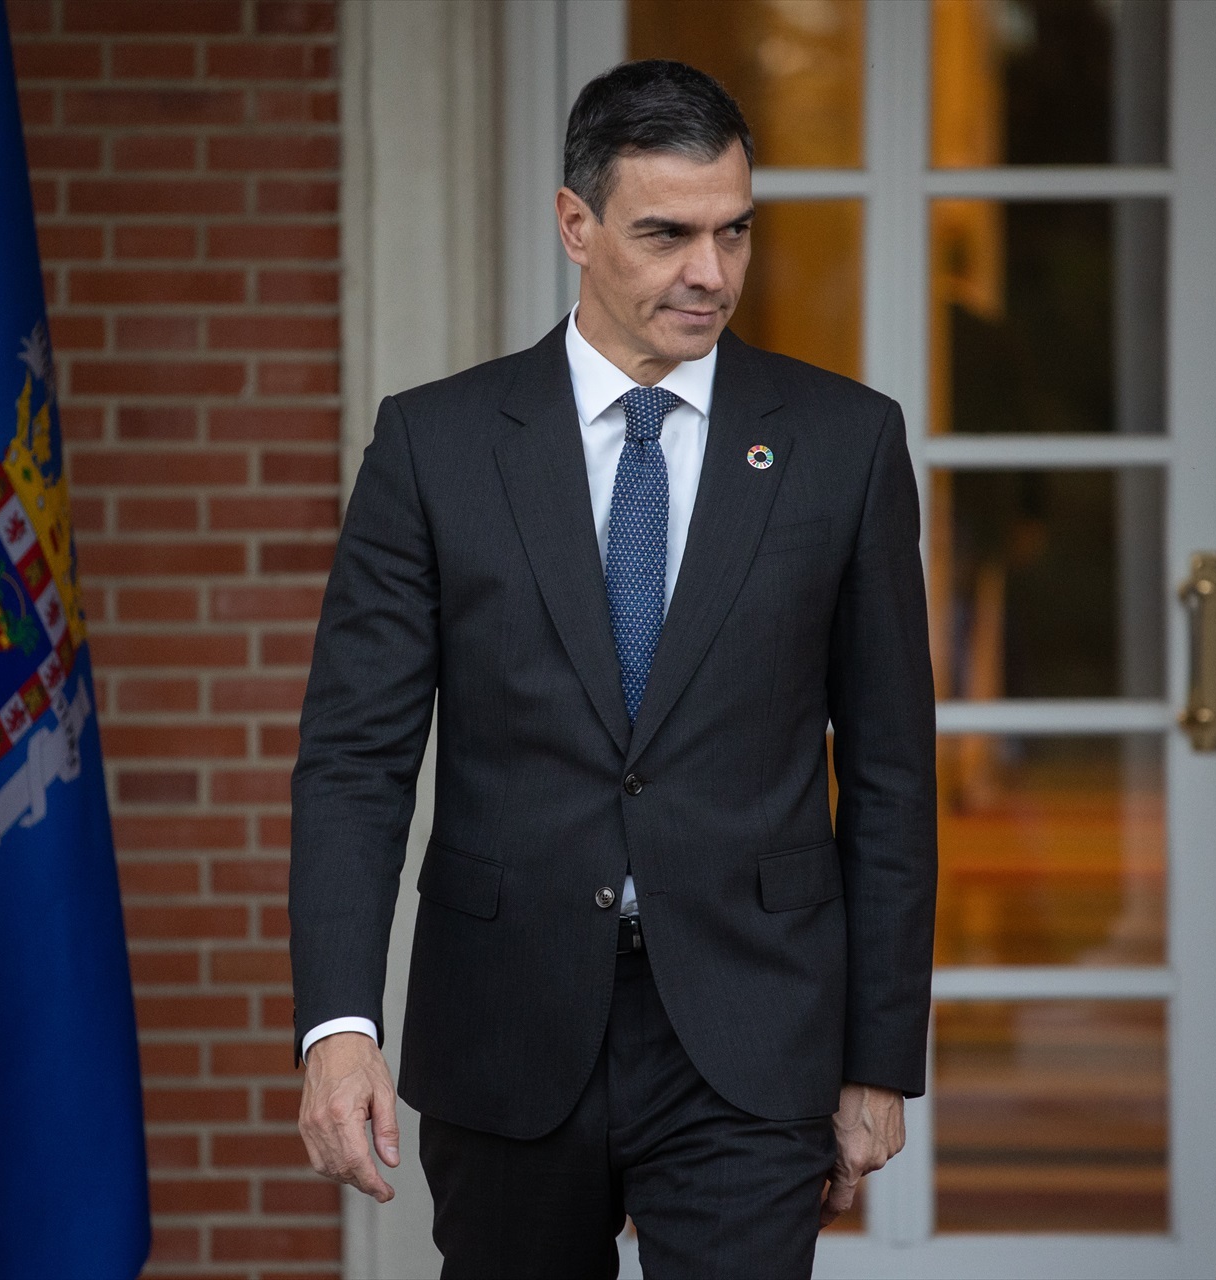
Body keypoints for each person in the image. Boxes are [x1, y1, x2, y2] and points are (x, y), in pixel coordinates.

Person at [288, 59, 937, 1278]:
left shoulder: (844, 444)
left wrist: (878, 1057)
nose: (711, 271)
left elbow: (893, 773)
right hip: (505, 1022)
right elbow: (354, 760)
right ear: (575, 225)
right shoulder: (435, 445)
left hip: (753, 1029)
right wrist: (338, 1021)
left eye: (734, 231)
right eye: (668, 233)